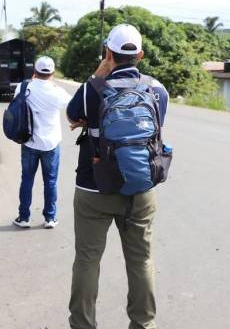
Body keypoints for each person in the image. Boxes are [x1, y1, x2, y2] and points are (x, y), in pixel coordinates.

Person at [66, 24, 169, 329]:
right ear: (140, 54)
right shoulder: (157, 90)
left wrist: (99, 74)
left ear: (107, 53)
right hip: (139, 188)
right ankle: (143, 325)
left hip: (93, 187)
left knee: (87, 260)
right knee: (141, 261)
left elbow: (73, 115)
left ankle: (83, 325)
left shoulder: (92, 89)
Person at [12, 56, 71, 229]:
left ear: (34, 71)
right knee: (51, 181)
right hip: (51, 144)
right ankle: (50, 218)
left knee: (27, 179)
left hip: (29, 142)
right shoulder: (57, 91)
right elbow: (72, 105)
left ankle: (24, 218)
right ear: (52, 73)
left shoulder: (24, 87)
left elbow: (15, 104)